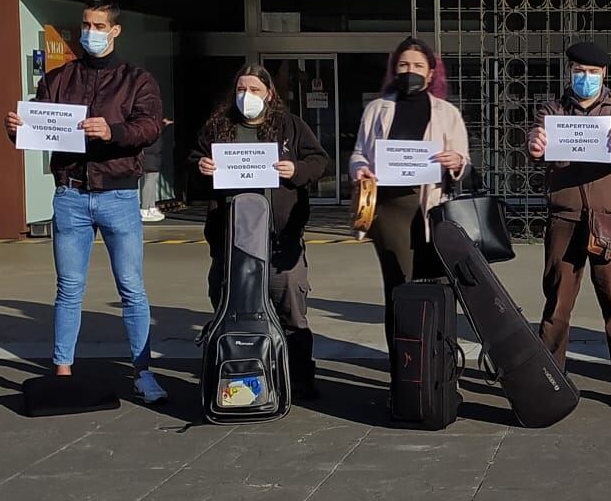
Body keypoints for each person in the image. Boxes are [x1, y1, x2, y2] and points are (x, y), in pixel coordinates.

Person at [4, 0, 167, 404]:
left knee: (131, 287)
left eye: (98, 25)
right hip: (71, 193)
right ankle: (62, 371)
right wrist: (18, 129)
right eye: (85, 24)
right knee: (69, 288)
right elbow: (39, 128)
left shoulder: (136, 80)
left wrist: (111, 131)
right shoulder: (60, 78)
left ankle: (143, 372)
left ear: (114, 31)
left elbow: (148, 127)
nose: (89, 32)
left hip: (119, 193)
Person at [192, 66, 330, 400]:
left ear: (268, 93)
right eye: (241, 88)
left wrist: (297, 169)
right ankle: (238, 373)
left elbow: (320, 161)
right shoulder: (218, 127)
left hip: (280, 238)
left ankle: (298, 377)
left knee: (290, 308)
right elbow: (193, 161)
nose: (246, 96)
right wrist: (200, 166)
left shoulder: (290, 126)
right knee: (228, 304)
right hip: (230, 240)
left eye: (254, 89)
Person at [526, 41, 611, 409]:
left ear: (604, 75)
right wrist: (534, 146)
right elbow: (536, 146)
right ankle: (548, 376)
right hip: (564, 220)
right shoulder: (552, 111)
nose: (585, 78)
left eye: (592, 73)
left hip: (609, 222)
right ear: (570, 72)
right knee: (557, 306)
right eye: (579, 72)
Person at [349, 36, 469, 346]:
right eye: (403, 65)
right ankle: (402, 370)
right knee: (399, 288)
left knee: (439, 286)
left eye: (418, 65)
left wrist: (455, 161)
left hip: (433, 206)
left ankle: (439, 366)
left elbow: (463, 161)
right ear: (394, 70)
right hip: (390, 207)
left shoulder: (446, 112)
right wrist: (359, 169)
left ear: (431, 73)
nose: (410, 70)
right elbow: (360, 153)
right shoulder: (377, 108)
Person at [140, 118, 173, 223]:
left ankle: (151, 207)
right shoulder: (150, 130)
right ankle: (145, 209)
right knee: (149, 181)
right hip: (150, 156)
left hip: (154, 156)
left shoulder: (154, 130)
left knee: (153, 181)